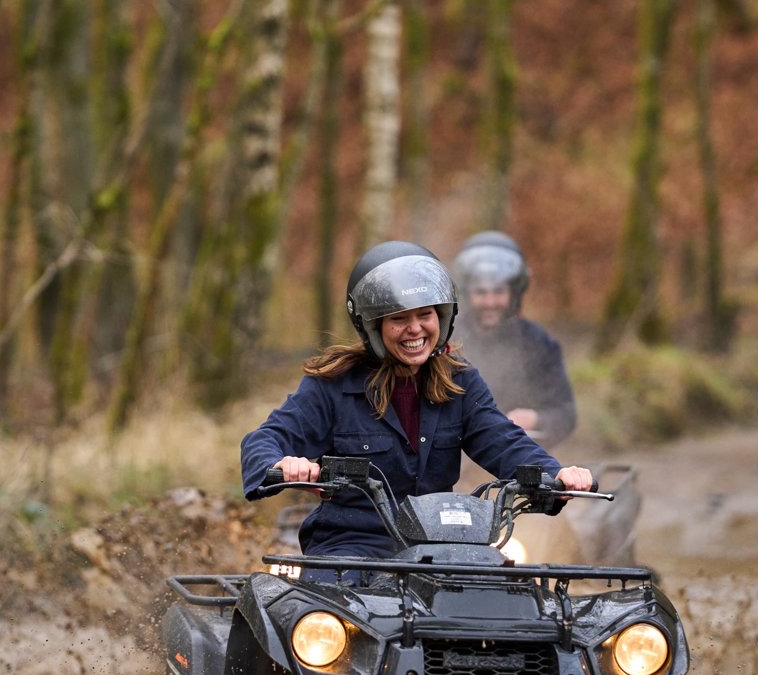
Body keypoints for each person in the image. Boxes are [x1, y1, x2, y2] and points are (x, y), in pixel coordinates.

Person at [241, 240, 594, 569]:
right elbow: (264, 440)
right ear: (373, 326)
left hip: (440, 547)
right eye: (398, 319)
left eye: (425, 314)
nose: (415, 329)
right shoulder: (331, 385)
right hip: (352, 552)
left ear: (443, 316)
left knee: (508, 608)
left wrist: (556, 474)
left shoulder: (461, 382)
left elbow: (502, 439)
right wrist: (283, 464)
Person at [450, 230, 575, 449]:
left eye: (498, 291)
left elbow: (566, 414)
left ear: (515, 292)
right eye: (481, 292)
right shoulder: (446, 339)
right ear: (467, 294)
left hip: (520, 459)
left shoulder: (539, 344)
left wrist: (536, 419)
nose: (490, 302)